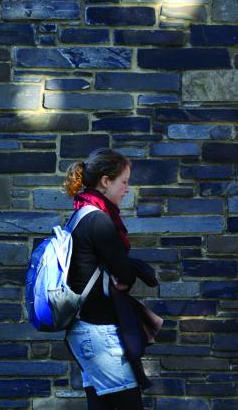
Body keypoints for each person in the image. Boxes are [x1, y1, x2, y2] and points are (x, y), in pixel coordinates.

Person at [63, 148, 159, 410]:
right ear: (106, 181)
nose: (127, 188)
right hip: (99, 335)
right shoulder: (98, 220)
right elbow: (124, 273)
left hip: (86, 330)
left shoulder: (80, 215)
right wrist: (129, 271)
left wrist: (124, 270)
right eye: (124, 182)